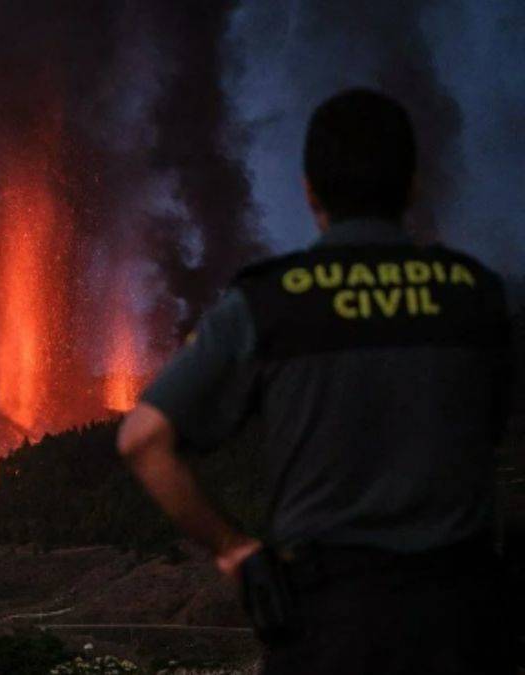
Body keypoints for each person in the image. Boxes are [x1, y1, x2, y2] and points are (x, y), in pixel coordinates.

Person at [117, 88, 515, 673]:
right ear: (412, 186)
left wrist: (234, 550)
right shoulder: (477, 296)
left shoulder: (270, 301)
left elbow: (141, 438)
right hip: (460, 626)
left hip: (328, 627)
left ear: (309, 192)